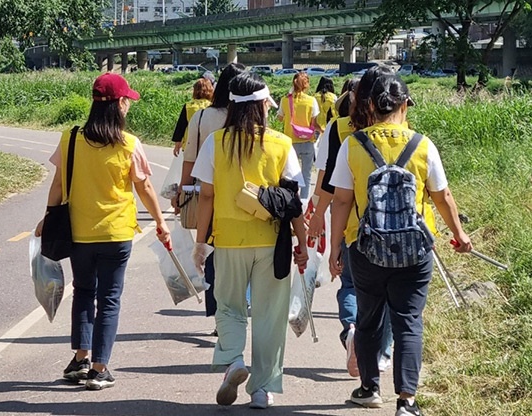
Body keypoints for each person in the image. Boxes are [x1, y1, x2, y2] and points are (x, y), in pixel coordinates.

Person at [328, 73, 472, 416]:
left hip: (365, 248)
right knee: (408, 320)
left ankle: (368, 388)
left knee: (367, 319)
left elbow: (342, 202)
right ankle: (406, 402)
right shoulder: (423, 145)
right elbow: (442, 196)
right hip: (415, 249)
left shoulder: (353, 144)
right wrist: (459, 235)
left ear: (371, 107)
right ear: (404, 105)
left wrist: (335, 248)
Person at [35, 73, 171, 391]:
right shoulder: (129, 144)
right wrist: (160, 222)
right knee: (109, 298)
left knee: (83, 292)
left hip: (79, 233)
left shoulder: (71, 138)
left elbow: (57, 184)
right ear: (120, 104)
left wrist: (46, 218)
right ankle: (99, 369)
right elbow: (145, 186)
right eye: (127, 102)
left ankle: (81, 359)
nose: (129, 107)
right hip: (117, 233)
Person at [191, 72, 308, 409]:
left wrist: (201, 243)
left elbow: (207, 198)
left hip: (227, 240)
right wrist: (301, 244)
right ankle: (262, 389)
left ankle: (233, 361)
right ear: (262, 107)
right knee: (270, 316)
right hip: (273, 242)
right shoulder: (281, 143)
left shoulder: (216, 141)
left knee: (228, 306)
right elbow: (292, 202)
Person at [309, 71, 394, 378]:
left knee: (348, 284)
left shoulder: (337, 129)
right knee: (387, 290)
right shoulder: (396, 130)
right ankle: (382, 355)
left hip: (352, 225)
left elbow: (326, 183)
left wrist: (317, 217)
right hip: (392, 224)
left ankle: (352, 330)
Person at [178, 62, 246, 325]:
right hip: (245, 198)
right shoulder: (252, 119)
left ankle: (220, 314)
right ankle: (240, 306)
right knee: (243, 256)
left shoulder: (202, 117)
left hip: (210, 195)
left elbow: (189, 159)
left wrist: (183, 191)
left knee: (212, 255)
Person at [277, 72, 320, 199]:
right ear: (306, 85)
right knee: (306, 174)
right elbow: (314, 123)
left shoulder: (285, 100)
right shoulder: (312, 101)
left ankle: (291, 199)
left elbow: (280, 118)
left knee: (290, 174)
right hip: (308, 141)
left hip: (290, 142)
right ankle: (304, 200)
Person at [171, 77, 214, 156]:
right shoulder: (213, 106)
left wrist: (177, 144)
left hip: (190, 143)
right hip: (208, 144)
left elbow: (181, 126)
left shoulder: (188, 106)